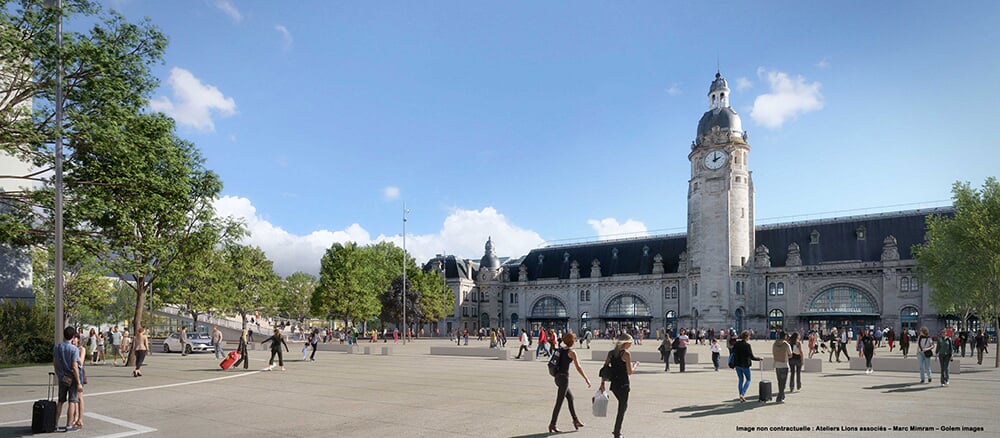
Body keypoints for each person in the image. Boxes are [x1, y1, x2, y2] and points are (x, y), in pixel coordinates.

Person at [548, 333, 591, 433]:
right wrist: (586, 378)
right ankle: (552, 424)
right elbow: (578, 367)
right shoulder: (571, 352)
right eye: (575, 339)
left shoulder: (561, 349)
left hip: (557, 377)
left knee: (570, 398)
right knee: (559, 402)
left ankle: (575, 420)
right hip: (564, 380)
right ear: (572, 341)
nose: (576, 341)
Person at [599, 334, 635, 438]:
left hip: (614, 384)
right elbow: (629, 372)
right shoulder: (626, 354)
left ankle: (617, 431)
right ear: (626, 342)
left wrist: (602, 383)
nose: (630, 345)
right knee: (622, 407)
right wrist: (635, 366)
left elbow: (604, 369)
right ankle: (617, 432)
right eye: (630, 343)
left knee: (622, 406)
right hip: (623, 384)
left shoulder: (611, 353)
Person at [53, 327, 82, 432]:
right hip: (72, 378)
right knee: (72, 401)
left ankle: (55, 423)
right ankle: (68, 425)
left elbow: (55, 363)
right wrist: (79, 382)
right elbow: (75, 366)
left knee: (60, 401)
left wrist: (59, 374)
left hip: (62, 377)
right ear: (73, 336)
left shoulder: (57, 347)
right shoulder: (74, 349)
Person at [732, 330, 762, 403]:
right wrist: (759, 359)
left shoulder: (736, 344)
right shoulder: (747, 345)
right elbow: (752, 357)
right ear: (747, 337)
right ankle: (742, 394)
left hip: (737, 365)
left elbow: (733, 353)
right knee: (748, 379)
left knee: (740, 380)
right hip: (745, 365)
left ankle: (740, 395)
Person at [772, 331, 792, 403]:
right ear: (785, 336)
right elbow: (790, 354)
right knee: (783, 382)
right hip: (784, 365)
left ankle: (782, 395)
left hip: (777, 364)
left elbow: (773, 352)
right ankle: (779, 397)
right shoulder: (786, 344)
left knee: (779, 381)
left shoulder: (775, 343)